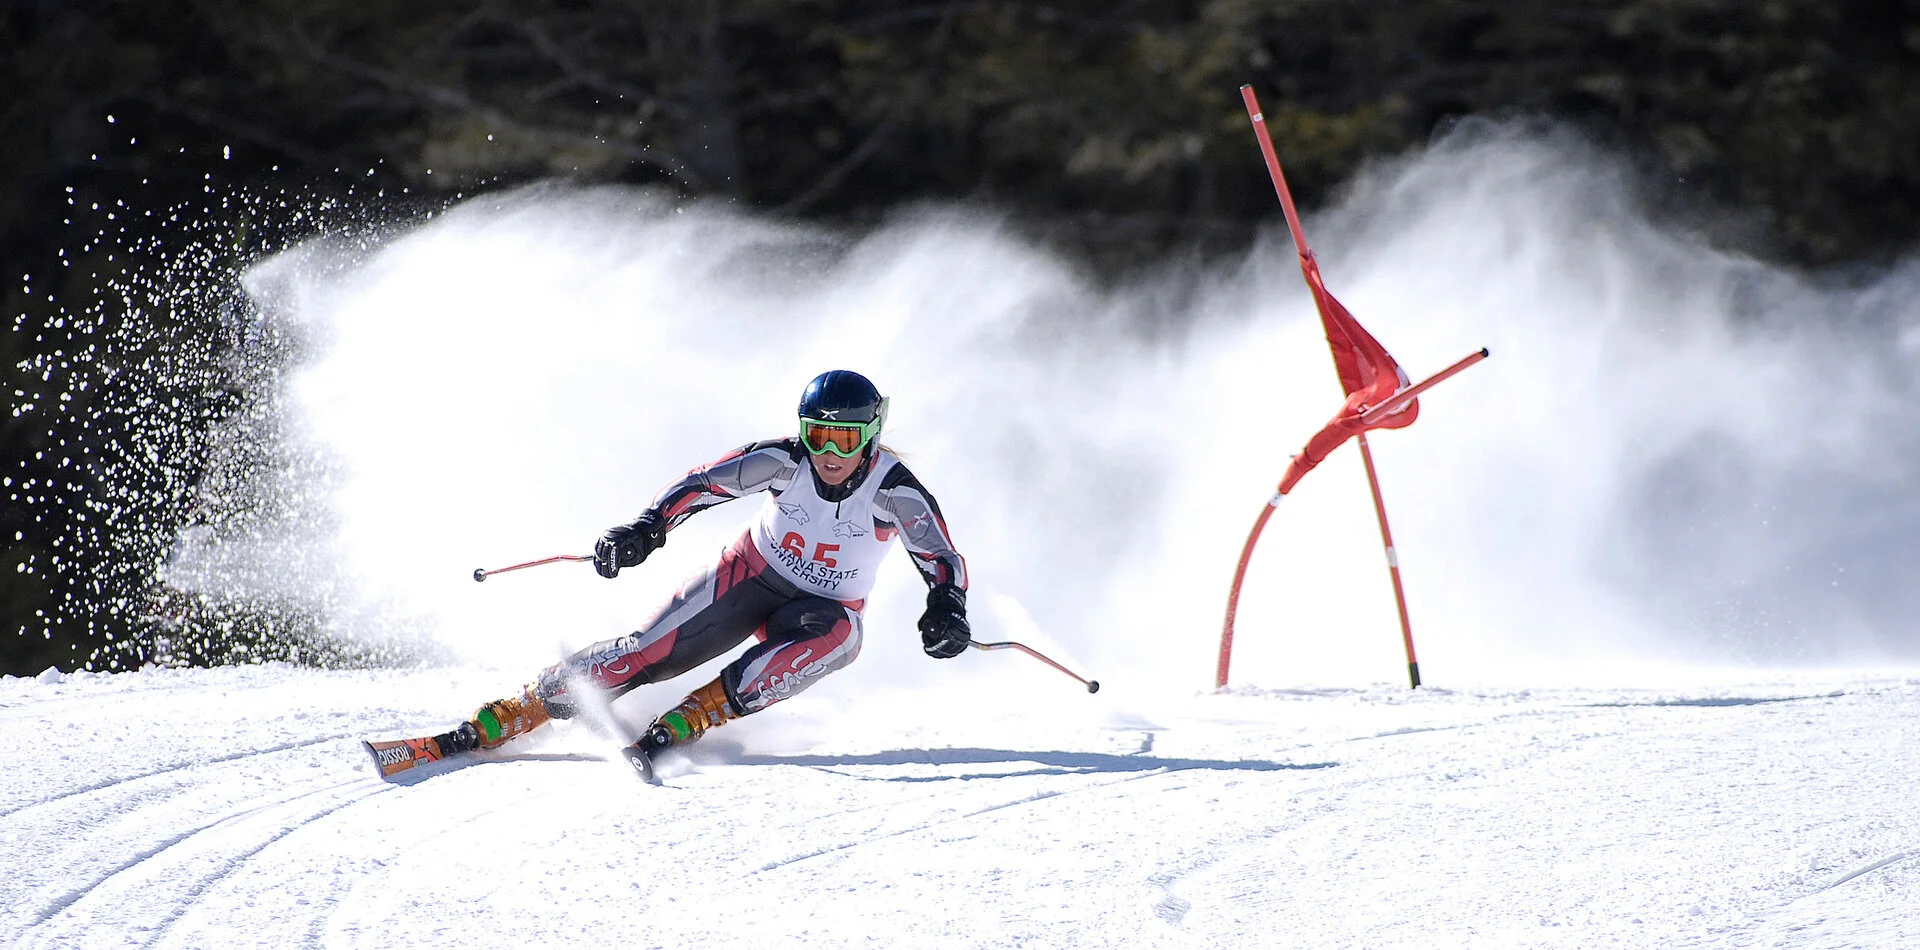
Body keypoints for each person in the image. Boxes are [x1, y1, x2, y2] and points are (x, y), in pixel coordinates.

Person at [430, 369, 970, 775]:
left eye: (845, 439)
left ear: (871, 434)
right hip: (750, 577)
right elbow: (703, 483)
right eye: (816, 434)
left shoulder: (896, 492)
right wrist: (647, 528)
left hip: (822, 611)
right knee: (648, 651)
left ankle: (695, 716)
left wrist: (947, 607)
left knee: (844, 638)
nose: (828, 453)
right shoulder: (784, 461)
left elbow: (941, 558)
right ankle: (522, 708)